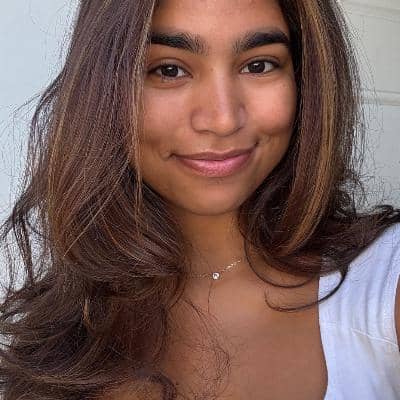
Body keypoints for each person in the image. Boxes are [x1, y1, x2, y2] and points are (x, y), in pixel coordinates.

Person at [1, 0, 399, 399]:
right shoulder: (58, 330)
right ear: (100, 90)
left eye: (258, 65)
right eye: (169, 70)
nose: (222, 119)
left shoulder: (383, 286)